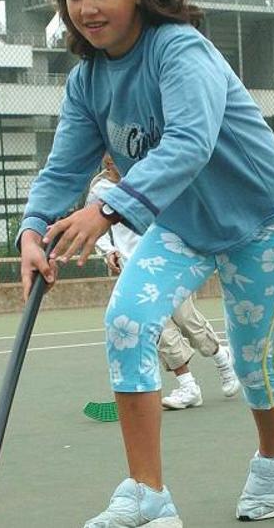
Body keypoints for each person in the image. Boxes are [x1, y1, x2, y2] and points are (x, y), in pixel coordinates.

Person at [19, 0, 274, 524]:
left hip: (257, 220)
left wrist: (107, 208)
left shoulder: (180, 49)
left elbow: (189, 141)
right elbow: (64, 168)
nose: (87, 8)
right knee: (126, 321)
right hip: (181, 226)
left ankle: (273, 456)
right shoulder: (87, 81)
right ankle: (148, 493)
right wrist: (33, 229)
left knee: (251, 363)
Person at [88, 153, 241, 410]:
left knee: (186, 321)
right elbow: (95, 224)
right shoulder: (100, 189)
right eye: (107, 154)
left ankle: (222, 360)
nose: (112, 158)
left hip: (167, 262)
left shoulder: (147, 177)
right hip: (134, 269)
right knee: (159, 330)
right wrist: (108, 250)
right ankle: (188, 386)